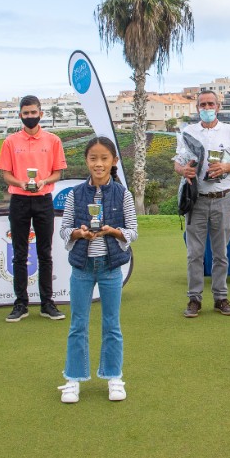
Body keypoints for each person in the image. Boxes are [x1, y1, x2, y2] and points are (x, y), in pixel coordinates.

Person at [57, 137, 137, 404]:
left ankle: (114, 376)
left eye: (104, 158)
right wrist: (79, 234)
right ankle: (73, 379)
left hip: (111, 268)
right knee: (77, 324)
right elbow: (64, 229)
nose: (99, 164)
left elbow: (133, 231)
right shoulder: (74, 194)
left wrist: (114, 232)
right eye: (93, 158)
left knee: (111, 324)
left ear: (114, 161)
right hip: (82, 267)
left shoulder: (123, 194)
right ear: (87, 161)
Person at [174, 90, 230, 318]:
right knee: (194, 254)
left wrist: (225, 167)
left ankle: (221, 298)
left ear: (218, 107)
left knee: (221, 253)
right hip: (196, 200)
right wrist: (184, 170)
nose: (206, 108)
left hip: (223, 199)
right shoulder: (188, 132)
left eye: (210, 104)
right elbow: (177, 164)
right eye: (202, 104)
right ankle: (194, 299)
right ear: (197, 107)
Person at [0, 95, 67, 322]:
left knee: (45, 253)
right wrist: (21, 183)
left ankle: (47, 303)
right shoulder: (10, 142)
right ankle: (21, 304)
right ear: (20, 115)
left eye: (33, 112)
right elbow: (6, 174)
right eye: (25, 113)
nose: (30, 117)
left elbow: (58, 172)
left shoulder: (53, 140)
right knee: (19, 254)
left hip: (44, 199)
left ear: (41, 114)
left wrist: (43, 181)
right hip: (18, 200)